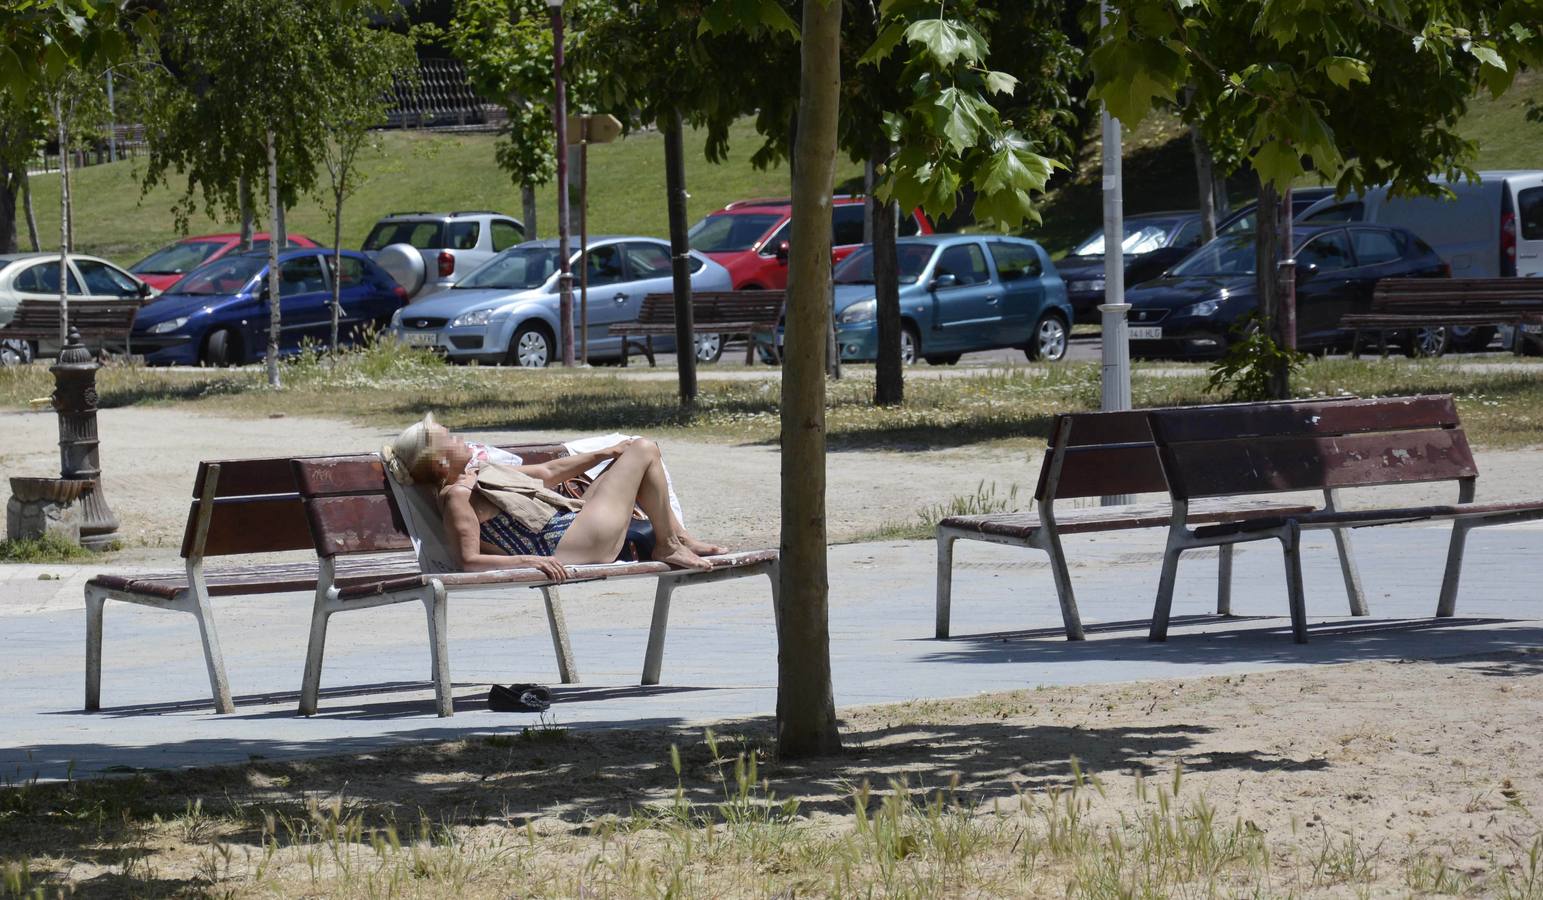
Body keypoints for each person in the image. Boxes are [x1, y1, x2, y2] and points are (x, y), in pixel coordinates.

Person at [382, 415, 727, 581]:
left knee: (631, 454)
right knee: (644, 449)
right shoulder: (458, 496)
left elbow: (548, 473)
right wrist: (528, 561)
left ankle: (678, 538)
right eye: (452, 440)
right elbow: (467, 561)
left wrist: (605, 452)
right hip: (566, 544)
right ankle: (668, 543)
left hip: (573, 526)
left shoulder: (477, 475)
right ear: (442, 463)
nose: (461, 440)